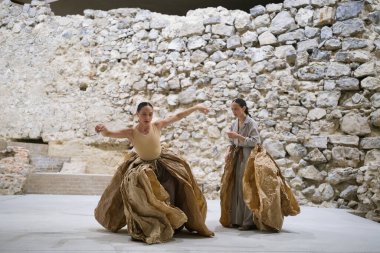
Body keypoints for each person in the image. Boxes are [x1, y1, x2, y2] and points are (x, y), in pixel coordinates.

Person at [94, 102, 214, 244]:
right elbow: (110, 133)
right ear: (137, 115)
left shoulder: (157, 125)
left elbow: (177, 116)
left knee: (172, 189)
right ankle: (151, 223)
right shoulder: (131, 132)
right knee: (142, 193)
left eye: (150, 114)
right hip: (143, 166)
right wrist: (102, 130)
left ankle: (174, 222)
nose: (147, 117)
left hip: (162, 163)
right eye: (144, 114)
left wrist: (196, 107)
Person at [220, 98, 300, 231]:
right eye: (232, 109)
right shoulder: (235, 123)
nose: (234, 111)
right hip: (237, 157)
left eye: (236, 109)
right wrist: (230, 148)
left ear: (243, 108)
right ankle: (236, 219)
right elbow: (233, 141)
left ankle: (248, 221)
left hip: (248, 157)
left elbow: (255, 142)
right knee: (237, 187)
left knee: (248, 187)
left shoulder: (251, 123)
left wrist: (238, 137)